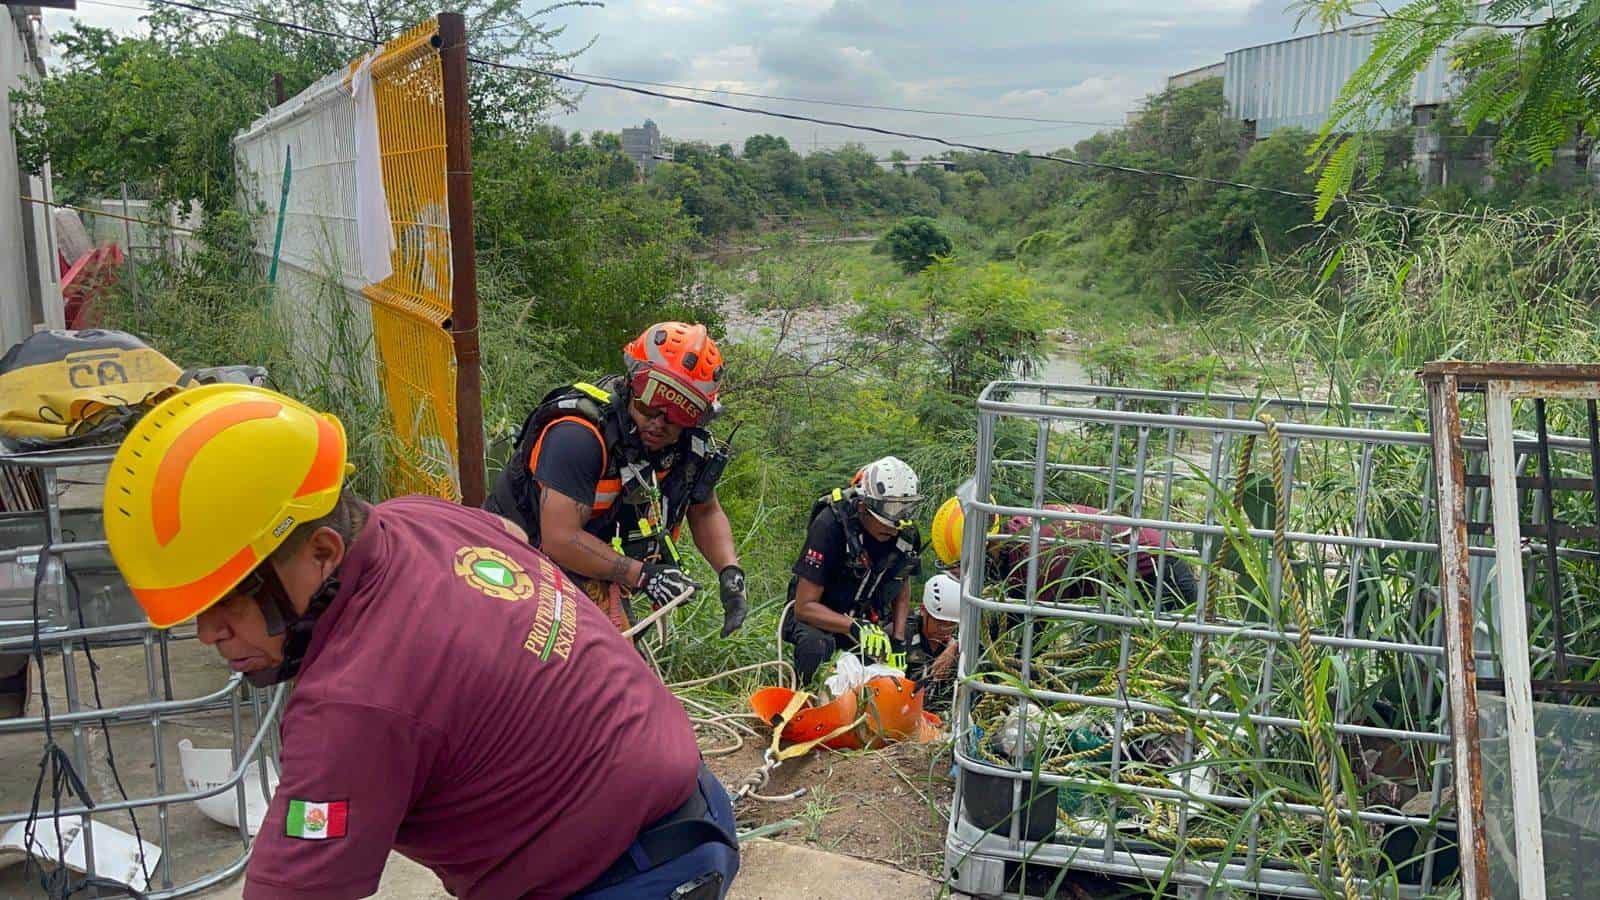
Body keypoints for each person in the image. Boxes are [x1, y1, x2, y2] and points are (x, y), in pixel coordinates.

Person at [104, 384, 739, 899]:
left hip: (626, 879)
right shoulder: (421, 520)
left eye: (225, 602)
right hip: (691, 810)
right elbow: (511, 539)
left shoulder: (353, 704)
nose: (207, 633)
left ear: (323, 553)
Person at [485, 322, 746, 638]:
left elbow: (705, 510)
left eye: (680, 412)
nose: (659, 421)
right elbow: (560, 538)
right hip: (513, 559)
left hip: (594, 571)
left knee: (619, 663)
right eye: (652, 399)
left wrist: (730, 573)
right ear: (631, 382)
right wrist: (645, 576)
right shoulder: (579, 435)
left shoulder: (685, 450)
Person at [929, 484, 1199, 608]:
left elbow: (1029, 627)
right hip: (1147, 565)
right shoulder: (1020, 530)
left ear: (986, 548)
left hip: (1161, 577)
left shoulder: (1035, 554)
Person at [783, 456, 924, 684]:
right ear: (863, 506)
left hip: (865, 622)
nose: (895, 525)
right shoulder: (830, 525)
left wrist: (898, 640)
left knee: (901, 664)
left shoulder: (905, 536)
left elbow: (901, 584)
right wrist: (852, 626)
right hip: (818, 619)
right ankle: (808, 701)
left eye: (904, 509)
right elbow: (804, 607)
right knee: (817, 648)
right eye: (890, 510)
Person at [904, 572, 962, 708]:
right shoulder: (903, 634)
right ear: (924, 610)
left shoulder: (956, 642)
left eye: (951, 624)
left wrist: (953, 647)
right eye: (940, 622)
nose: (945, 629)